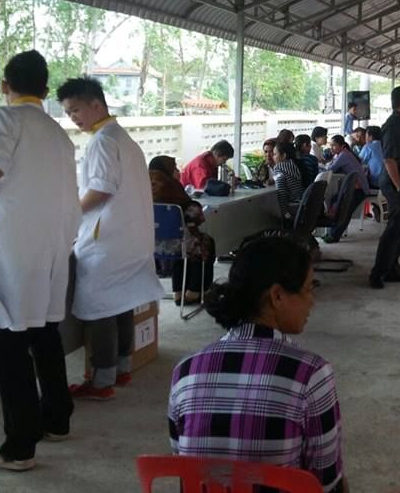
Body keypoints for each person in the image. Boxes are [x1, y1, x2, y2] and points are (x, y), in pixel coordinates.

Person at [168, 233, 347, 493]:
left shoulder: (185, 371)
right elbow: (326, 481)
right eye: (309, 289)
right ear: (277, 296)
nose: (312, 301)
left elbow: (183, 466)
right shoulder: (311, 374)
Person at [0, 51, 79, 472]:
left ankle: (19, 446)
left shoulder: (4, 118)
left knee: (9, 342)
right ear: (44, 90)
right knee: (44, 333)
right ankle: (57, 419)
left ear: (5, 85)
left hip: (12, 250)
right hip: (51, 248)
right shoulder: (58, 133)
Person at [57, 77, 164, 401]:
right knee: (121, 303)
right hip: (129, 238)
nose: (73, 117)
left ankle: (102, 381)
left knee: (98, 308)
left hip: (108, 241)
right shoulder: (123, 138)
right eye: (68, 112)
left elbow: (100, 189)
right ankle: (122, 368)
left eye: (76, 109)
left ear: (96, 105)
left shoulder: (103, 141)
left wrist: (69, 213)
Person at [149, 156, 215, 305]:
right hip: (176, 245)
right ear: (167, 170)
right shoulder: (171, 186)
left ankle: (177, 292)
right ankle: (194, 291)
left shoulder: (142, 186)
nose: (178, 171)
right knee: (204, 243)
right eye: (175, 168)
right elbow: (193, 214)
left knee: (182, 241)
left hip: (150, 245)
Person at [370, 86, 400, 289]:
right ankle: (378, 273)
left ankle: (392, 269)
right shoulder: (394, 126)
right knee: (393, 229)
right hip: (396, 183)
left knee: (399, 229)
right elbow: (389, 159)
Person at [323, 135, 366, 244]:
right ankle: (331, 232)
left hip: (359, 189)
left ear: (342, 146)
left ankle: (334, 235)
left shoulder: (344, 155)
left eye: (334, 145)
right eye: (330, 145)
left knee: (344, 210)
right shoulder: (341, 154)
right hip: (353, 188)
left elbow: (331, 168)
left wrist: (324, 165)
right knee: (334, 199)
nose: (331, 148)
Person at [272, 141, 305, 221]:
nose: (273, 157)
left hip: (293, 207)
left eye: (275, 154)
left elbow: (281, 193)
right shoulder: (294, 166)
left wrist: (285, 213)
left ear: (283, 156)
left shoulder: (278, 169)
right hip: (302, 204)